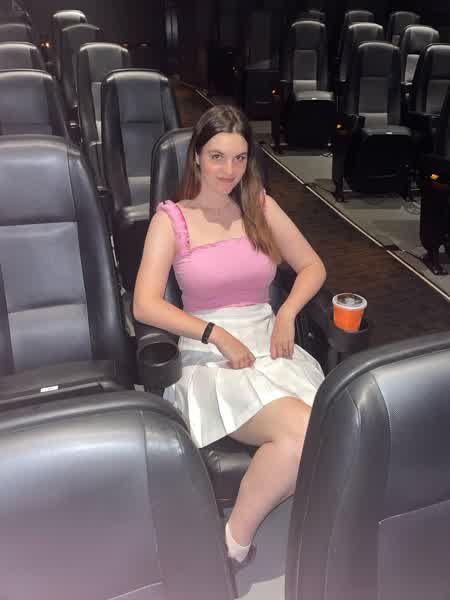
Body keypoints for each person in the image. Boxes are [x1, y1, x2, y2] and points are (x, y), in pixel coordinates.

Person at [133, 104, 326, 568]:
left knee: (325, 430)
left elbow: (312, 266)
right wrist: (215, 333)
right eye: (217, 157)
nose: (229, 170)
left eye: (239, 158)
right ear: (196, 157)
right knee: (304, 431)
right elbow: (145, 304)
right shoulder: (172, 219)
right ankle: (232, 545)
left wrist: (287, 312)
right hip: (210, 354)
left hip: (271, 344)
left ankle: (225, 540)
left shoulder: (260, 206)